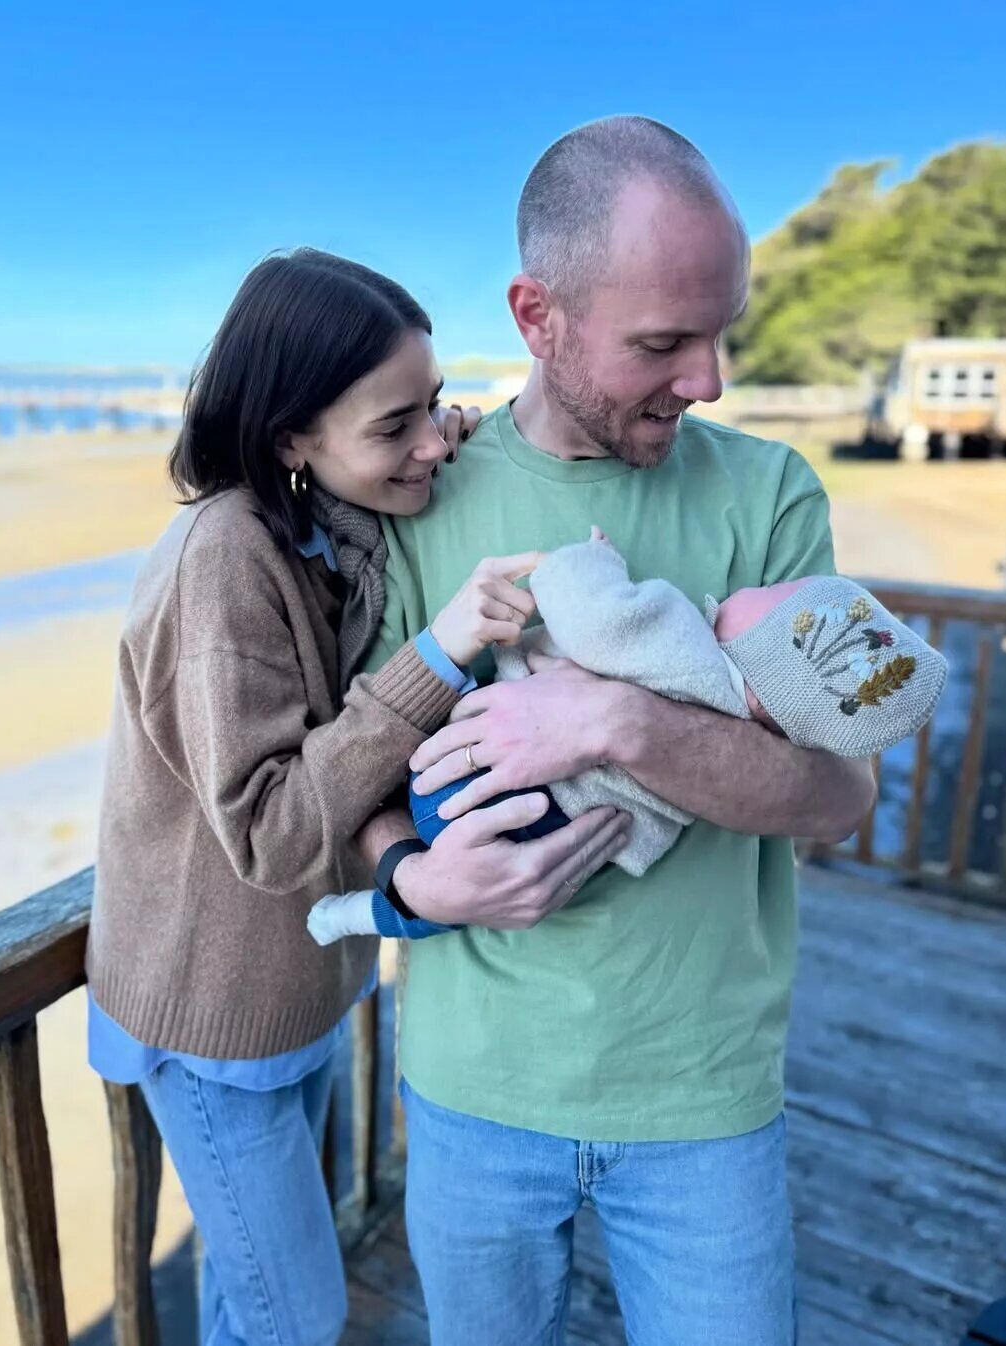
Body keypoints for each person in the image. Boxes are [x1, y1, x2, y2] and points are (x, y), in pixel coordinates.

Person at [355, 117, 879, 1345]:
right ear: (537, 316)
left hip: (706, 1098)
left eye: (722, 329)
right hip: (470, 1088)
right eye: (663, 341)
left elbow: (840, 796)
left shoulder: (772, 494)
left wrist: (613, 717)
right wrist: (408, 870)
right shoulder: (420, 495)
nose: (709, 379)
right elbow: (350, 772)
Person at [84, 247, 630, 1346]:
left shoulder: (319, 522)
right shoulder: (222, 554)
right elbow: (275, 828)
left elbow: (366, 572)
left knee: (249, 1298)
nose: (429, 441)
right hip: (209, 1015)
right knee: (297, 1312)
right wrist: (439, 649)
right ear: (290, 434)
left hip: (303, 986)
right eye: (395, 427)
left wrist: (441, 445)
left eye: (434, 405)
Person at [309, 532, 946, 944]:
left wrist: (591, 560)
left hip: (466, 781)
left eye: (776, 596)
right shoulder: (747, 724)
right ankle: (360, 917)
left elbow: (592, 614)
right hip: (551, 843)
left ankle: (367, 909)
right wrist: (412, 881)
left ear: (766, 657)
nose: (761, 585)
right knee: (443, 909)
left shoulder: (682, 639)